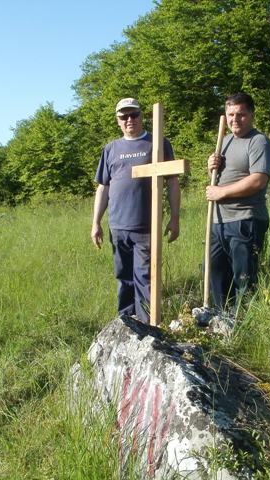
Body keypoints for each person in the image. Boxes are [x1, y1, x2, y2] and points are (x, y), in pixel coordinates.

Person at [91, 97, 181, 324]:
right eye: (124, 116)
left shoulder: (157, 143)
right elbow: (103, 186)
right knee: (124, 277)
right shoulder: (111, 149)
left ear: (142, 116)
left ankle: (149, 325)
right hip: (118, 225)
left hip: (146, 225)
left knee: (145, 276)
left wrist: (174, 218)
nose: (129, 120)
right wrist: (96, 223)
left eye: (133, 115)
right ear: (118, 121)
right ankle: (126, 323)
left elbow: (172, 182)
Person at [205, 92, 270, 313]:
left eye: (241, 114)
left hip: (245, 219)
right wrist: (211, 167)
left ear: (251, 115)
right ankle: (220, 320)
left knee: (243, 277)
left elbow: (258, 180)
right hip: (218, 221)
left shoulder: (258, 141)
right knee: (216, 274)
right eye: (231, 114)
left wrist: (222, 192)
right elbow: (217, 181)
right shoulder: (224, 142)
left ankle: (243, 325)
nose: (235, 119)